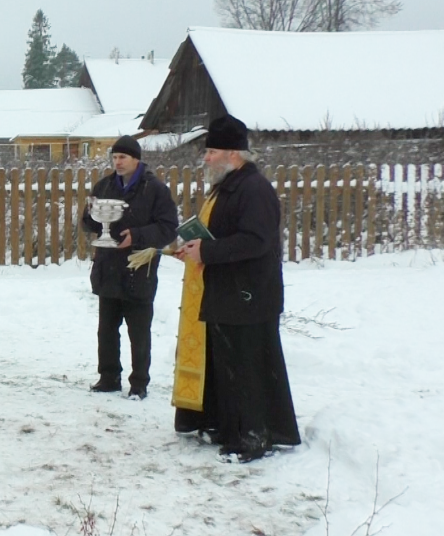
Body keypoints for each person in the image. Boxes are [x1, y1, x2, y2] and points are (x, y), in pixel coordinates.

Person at [173, 115, 300, 462]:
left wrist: (207, 251)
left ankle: (253, 437)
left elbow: (256, 241)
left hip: (249, 296)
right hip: (229, 293)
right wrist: (194, 247)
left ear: (234, 154)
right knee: (225, 366)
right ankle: (225, 427)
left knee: (246, 369)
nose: (206, 158)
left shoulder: (254, 189)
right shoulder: (228, 186)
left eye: (212, 151)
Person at [81, 135, 178, 400]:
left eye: (123, 157)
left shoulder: (154, 189)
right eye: (114, 157)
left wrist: (136, 235)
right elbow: (87, 222)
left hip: (139, 270)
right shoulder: (104, 186)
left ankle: (139, 383)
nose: (118, 162)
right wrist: (91, 217)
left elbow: (168, 228)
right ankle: (109, 377)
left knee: (139, 331)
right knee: (107, 329)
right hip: (108, 267)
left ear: (136, 159)